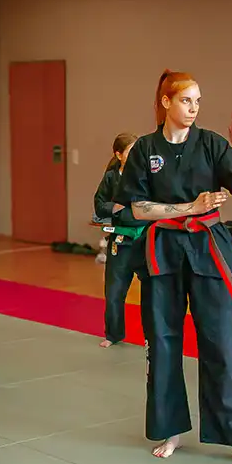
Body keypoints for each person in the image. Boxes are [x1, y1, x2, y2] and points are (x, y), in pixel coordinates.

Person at [115, 70, 232, 464]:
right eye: (187, 100)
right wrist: (189, 208)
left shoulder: (212, 144)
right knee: (163, 341)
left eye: (198, 101)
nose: (194, 108)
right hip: (163, 250)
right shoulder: (144, 149)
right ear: (166, 102)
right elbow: (136, 207)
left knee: (221, 340)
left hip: (207, 247)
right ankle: (171, 430)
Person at [93, 132, 140, 348]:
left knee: (154, 292)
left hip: (144, 239)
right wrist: (114, 207)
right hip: (120, 240)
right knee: (114, 291)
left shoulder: (147, 176)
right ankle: (113, 334)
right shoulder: (111, 177)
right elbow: (99, 204)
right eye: (131, 152)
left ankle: (155, 334)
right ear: (119, 155)